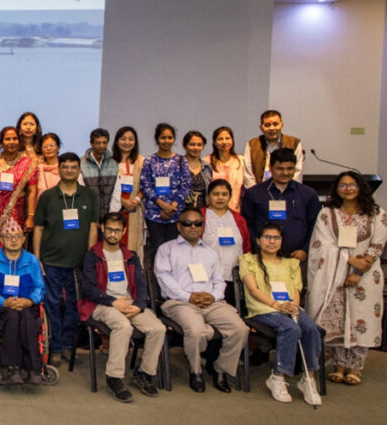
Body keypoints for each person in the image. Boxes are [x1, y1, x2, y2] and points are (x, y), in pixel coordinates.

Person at [154, 207, 248, 393]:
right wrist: (187, 296)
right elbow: (164, 279)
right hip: (180, 302)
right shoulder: (166, 250)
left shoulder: (210, 252)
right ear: (179, 226)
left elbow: (219, 280)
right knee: (196, 331)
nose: (193, 227)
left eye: (198, 223)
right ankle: (195, 370)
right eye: (187, 223)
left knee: (240, 329)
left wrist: (213, 296)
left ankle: (219, 368)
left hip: (210, 302)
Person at [307, 171, 386, 385]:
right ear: (337, 189)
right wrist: (349, 263)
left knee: (361, 317)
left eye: (352, 185)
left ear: (361, 187)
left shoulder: (376, 213)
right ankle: (339, 364)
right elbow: (320, 245)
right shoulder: (328, 213)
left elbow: (377, 245)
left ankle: (356, 366)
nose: (348, 189)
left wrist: (359, 271)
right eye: (343, 185)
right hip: (335, 274)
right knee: (338, 316)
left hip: (367, 276)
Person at [79, 212, 164, 401]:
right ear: (102, 228)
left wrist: (139, 306)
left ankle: (144, 373)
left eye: (117, 230)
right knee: (123, 327)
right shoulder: (93, 255)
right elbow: (88, 288)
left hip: (129, 303)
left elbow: (141, 285)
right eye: (109, 229)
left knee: (158, 328)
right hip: (102, 304)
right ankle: (114, 377)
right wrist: (112, 301)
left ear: (123, 231)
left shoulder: (131, 256)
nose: (112, 234)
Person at [240, 223, 322, 405]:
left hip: (289, 308)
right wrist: (276, 305)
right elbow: (253, 290)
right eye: (267, 237)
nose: (272, 241)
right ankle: (278, 377)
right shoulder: (248, 260)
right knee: (291, 328)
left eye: (276, 237)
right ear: (258, 241)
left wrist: (293, 305)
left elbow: (296, 289)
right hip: (263, 309)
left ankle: (308, 379)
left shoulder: (291, 263)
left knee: (311, 328)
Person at [33, 152, 99, 363]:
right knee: (51, 304)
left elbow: (93, 227)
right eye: (65, 167)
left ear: (79, 170)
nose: (69, 170)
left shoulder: (90, 195)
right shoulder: (47, 197)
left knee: (74, 304)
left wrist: (90, 258)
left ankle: (69, 345)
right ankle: (55, 346)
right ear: (59, 169)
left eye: (73, 167)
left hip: (78, 262)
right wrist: (37, 259)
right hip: (51, 261)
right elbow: (38, 229)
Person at [0, 218, 47, 385]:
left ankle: (33, 368)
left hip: (27, 304)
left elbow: (40, 287)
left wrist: (30, 301)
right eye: (9, 237)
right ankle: (12, 367)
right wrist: (3, 301)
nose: (14, 240)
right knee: (12, 317)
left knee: (28, 319)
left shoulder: (31, 261)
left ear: (24, 239)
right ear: (1, 240)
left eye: (18, 236)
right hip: (2, 306)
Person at [240, 148, 320, 256]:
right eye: (280, 169)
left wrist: (305, 250)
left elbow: (315, 226)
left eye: (290, 168)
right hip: (262, 257)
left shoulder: (308, 194)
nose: (285, 173)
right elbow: (246, 224)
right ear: (271, 168)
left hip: (296, 258)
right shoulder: (254, 194)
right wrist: (256, 246)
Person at [140, 123, 191, 266]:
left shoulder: (181, 161)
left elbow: (186, 185)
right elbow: (146, 185)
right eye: (163, 138)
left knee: (174, 252)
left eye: (170, 137)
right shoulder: (149, 161)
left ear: (174, 140)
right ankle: (155, 285)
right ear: (157, 140)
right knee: (156, 250)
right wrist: (162, 205)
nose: (166, 141)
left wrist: (172, 206)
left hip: (175, 214)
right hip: (154, 214)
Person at [199, 179, 250, 300]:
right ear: (208, 196)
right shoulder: (200, 215)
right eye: (216, 194)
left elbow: (246, 246)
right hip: (207, 277)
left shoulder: (238, 218)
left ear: (230, 196)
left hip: (233, 275)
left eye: (224, 194)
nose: (220, 198)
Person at [108, 126, 146, 260]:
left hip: (134, 209)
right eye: (123, 138)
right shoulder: (110, 162)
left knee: (133, 245)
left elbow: (147, 184)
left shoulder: (141, 161)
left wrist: (136, 200)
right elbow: (107, 187)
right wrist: (122, 201)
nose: (127, 142)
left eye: (130, 139)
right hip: (114, 208)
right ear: (117, 141)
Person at [243, 109, 303, 188]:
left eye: (275, 124)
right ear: (261, 127)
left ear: (281, 125)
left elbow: (297, 172)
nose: (271, 128)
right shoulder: (252, 144)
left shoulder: (294, 143)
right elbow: (248, 174)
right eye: (267, 125)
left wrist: (288, 191)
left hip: (287, 191)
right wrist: (255, 193)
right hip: (260, 192)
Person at [204, 126, 246, 211]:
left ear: (232, 141)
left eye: (227, 138)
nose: (224, 142)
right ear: (214, 142)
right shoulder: (206, 161)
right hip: (212, 210)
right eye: (220, 139)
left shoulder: (241, 161)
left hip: (236, 210)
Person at [82, 128, 117, 219]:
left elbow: (116, 193)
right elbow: (81, 193)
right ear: (91, 143)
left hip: (108, 216)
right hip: (87, 216)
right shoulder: (81, 163)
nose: (102, 146)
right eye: (98, 143)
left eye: (105, 142)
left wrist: (111, 216)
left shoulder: (113, 164)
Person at [182, 131, 213, 211]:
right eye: (192, 144)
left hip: (202, 212)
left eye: (199, 145)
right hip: (181, 211)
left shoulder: (207, 167)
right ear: (185, 146)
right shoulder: (177, 165)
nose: (196, 148)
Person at [35, 132, 62, 205]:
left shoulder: (65, 167)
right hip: (43, 209)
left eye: (52, 145)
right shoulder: (38, 169)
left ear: (58, 147)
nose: (49, 148)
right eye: (45, 146)